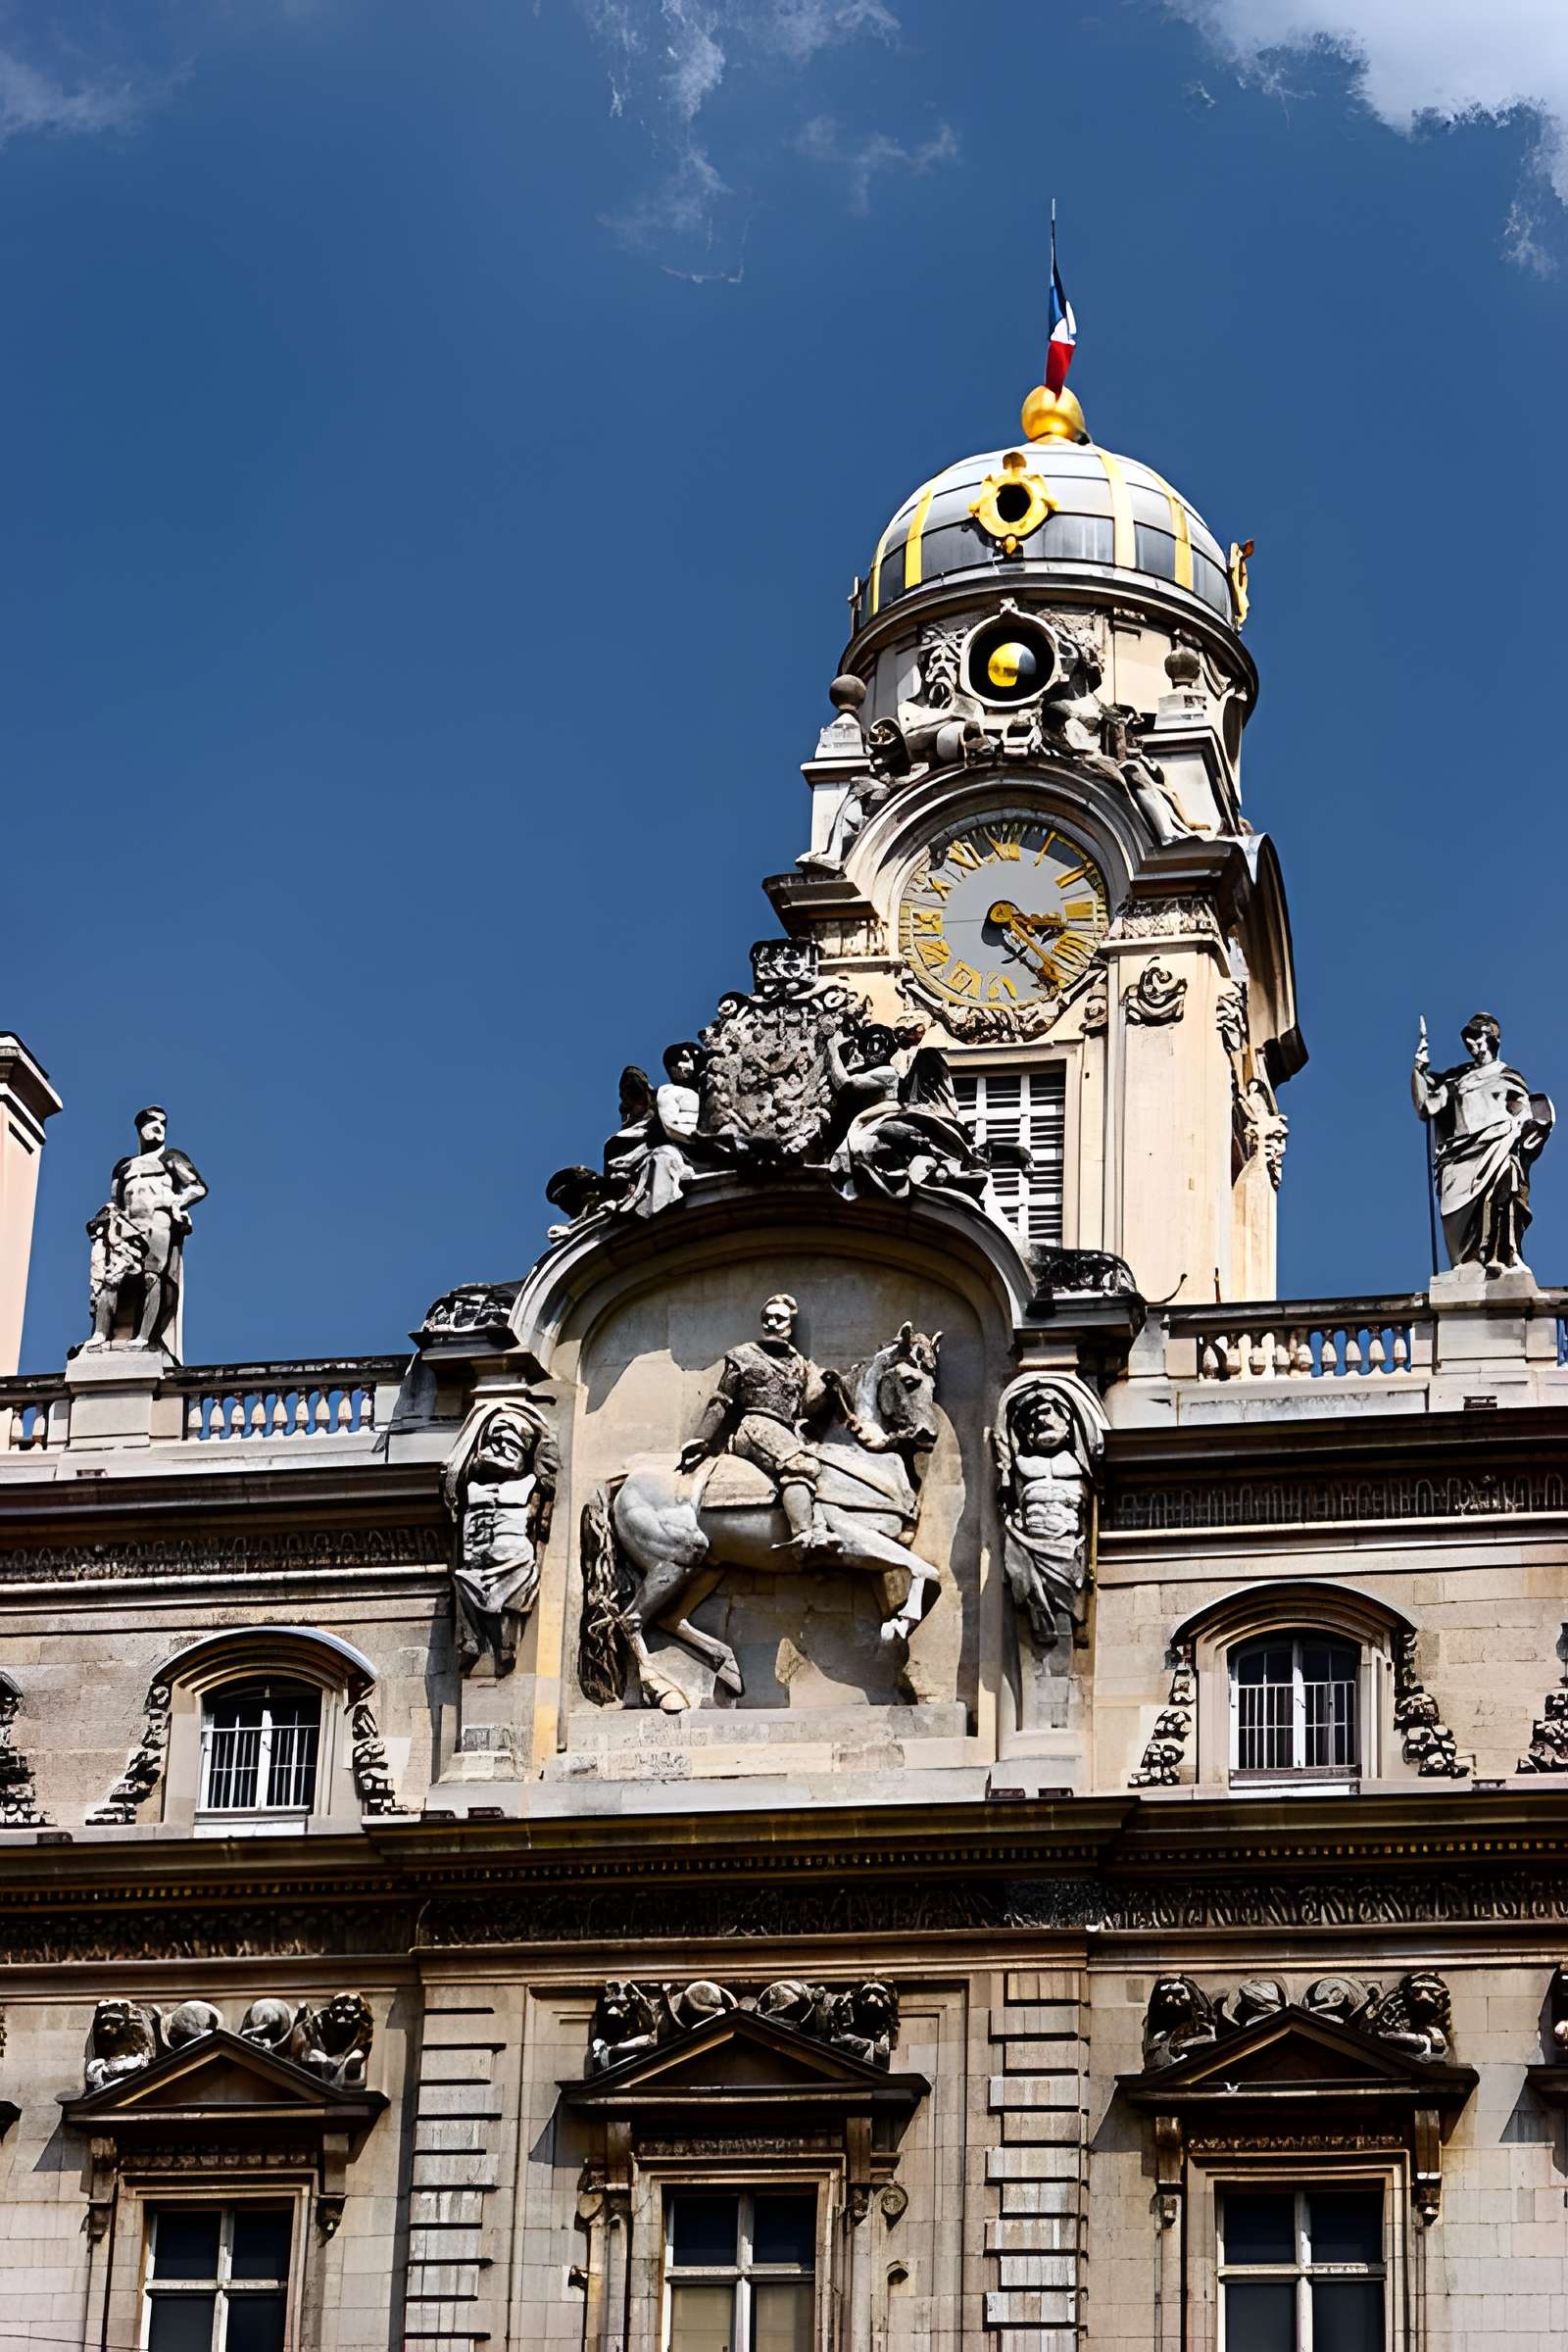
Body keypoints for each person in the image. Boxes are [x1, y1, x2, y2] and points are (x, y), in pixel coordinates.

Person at [675, 1294, 835, 1553]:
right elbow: (721, 1400)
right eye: (767, 1318)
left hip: (789, 1431)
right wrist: (701, 1440)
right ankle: (805, 1535)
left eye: (779, 1319)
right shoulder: (743, 1356)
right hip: (755, 1426)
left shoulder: (800, 1364)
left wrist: (830, 1388)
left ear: (790, 1326)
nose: (772, 1323)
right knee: (798, 1464)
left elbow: (807, 1405)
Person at [1412, 1012, 1554, 1275]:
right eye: (1470, 1039)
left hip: (1500, 1141)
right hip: (1461, 1152)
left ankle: (1506, 1254)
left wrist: (1524, 1126)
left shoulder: (1508, 1075)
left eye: (1478, 1037)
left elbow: (1525, 1108)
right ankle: (1470, 1264)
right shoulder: (1457, 1081)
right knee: (1460, 1227)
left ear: (1492, 1039)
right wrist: (1419, 1068)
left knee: (1507, 1181)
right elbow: (1427, 1105)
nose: (1473, 1044)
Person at [83, 1106, 207, 1351]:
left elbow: (197, 1188)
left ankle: (145, 1336)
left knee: (152, 1278)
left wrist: (174, 1202)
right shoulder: (124, 1166)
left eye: (163, 1123)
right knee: (110, 1279)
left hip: (157, 1224)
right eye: (152, 1122)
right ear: (140, 1128)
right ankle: (100, 1333)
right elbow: (117, 1199)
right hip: (127, 1226)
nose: (159, 1127)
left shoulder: (171, 1158)